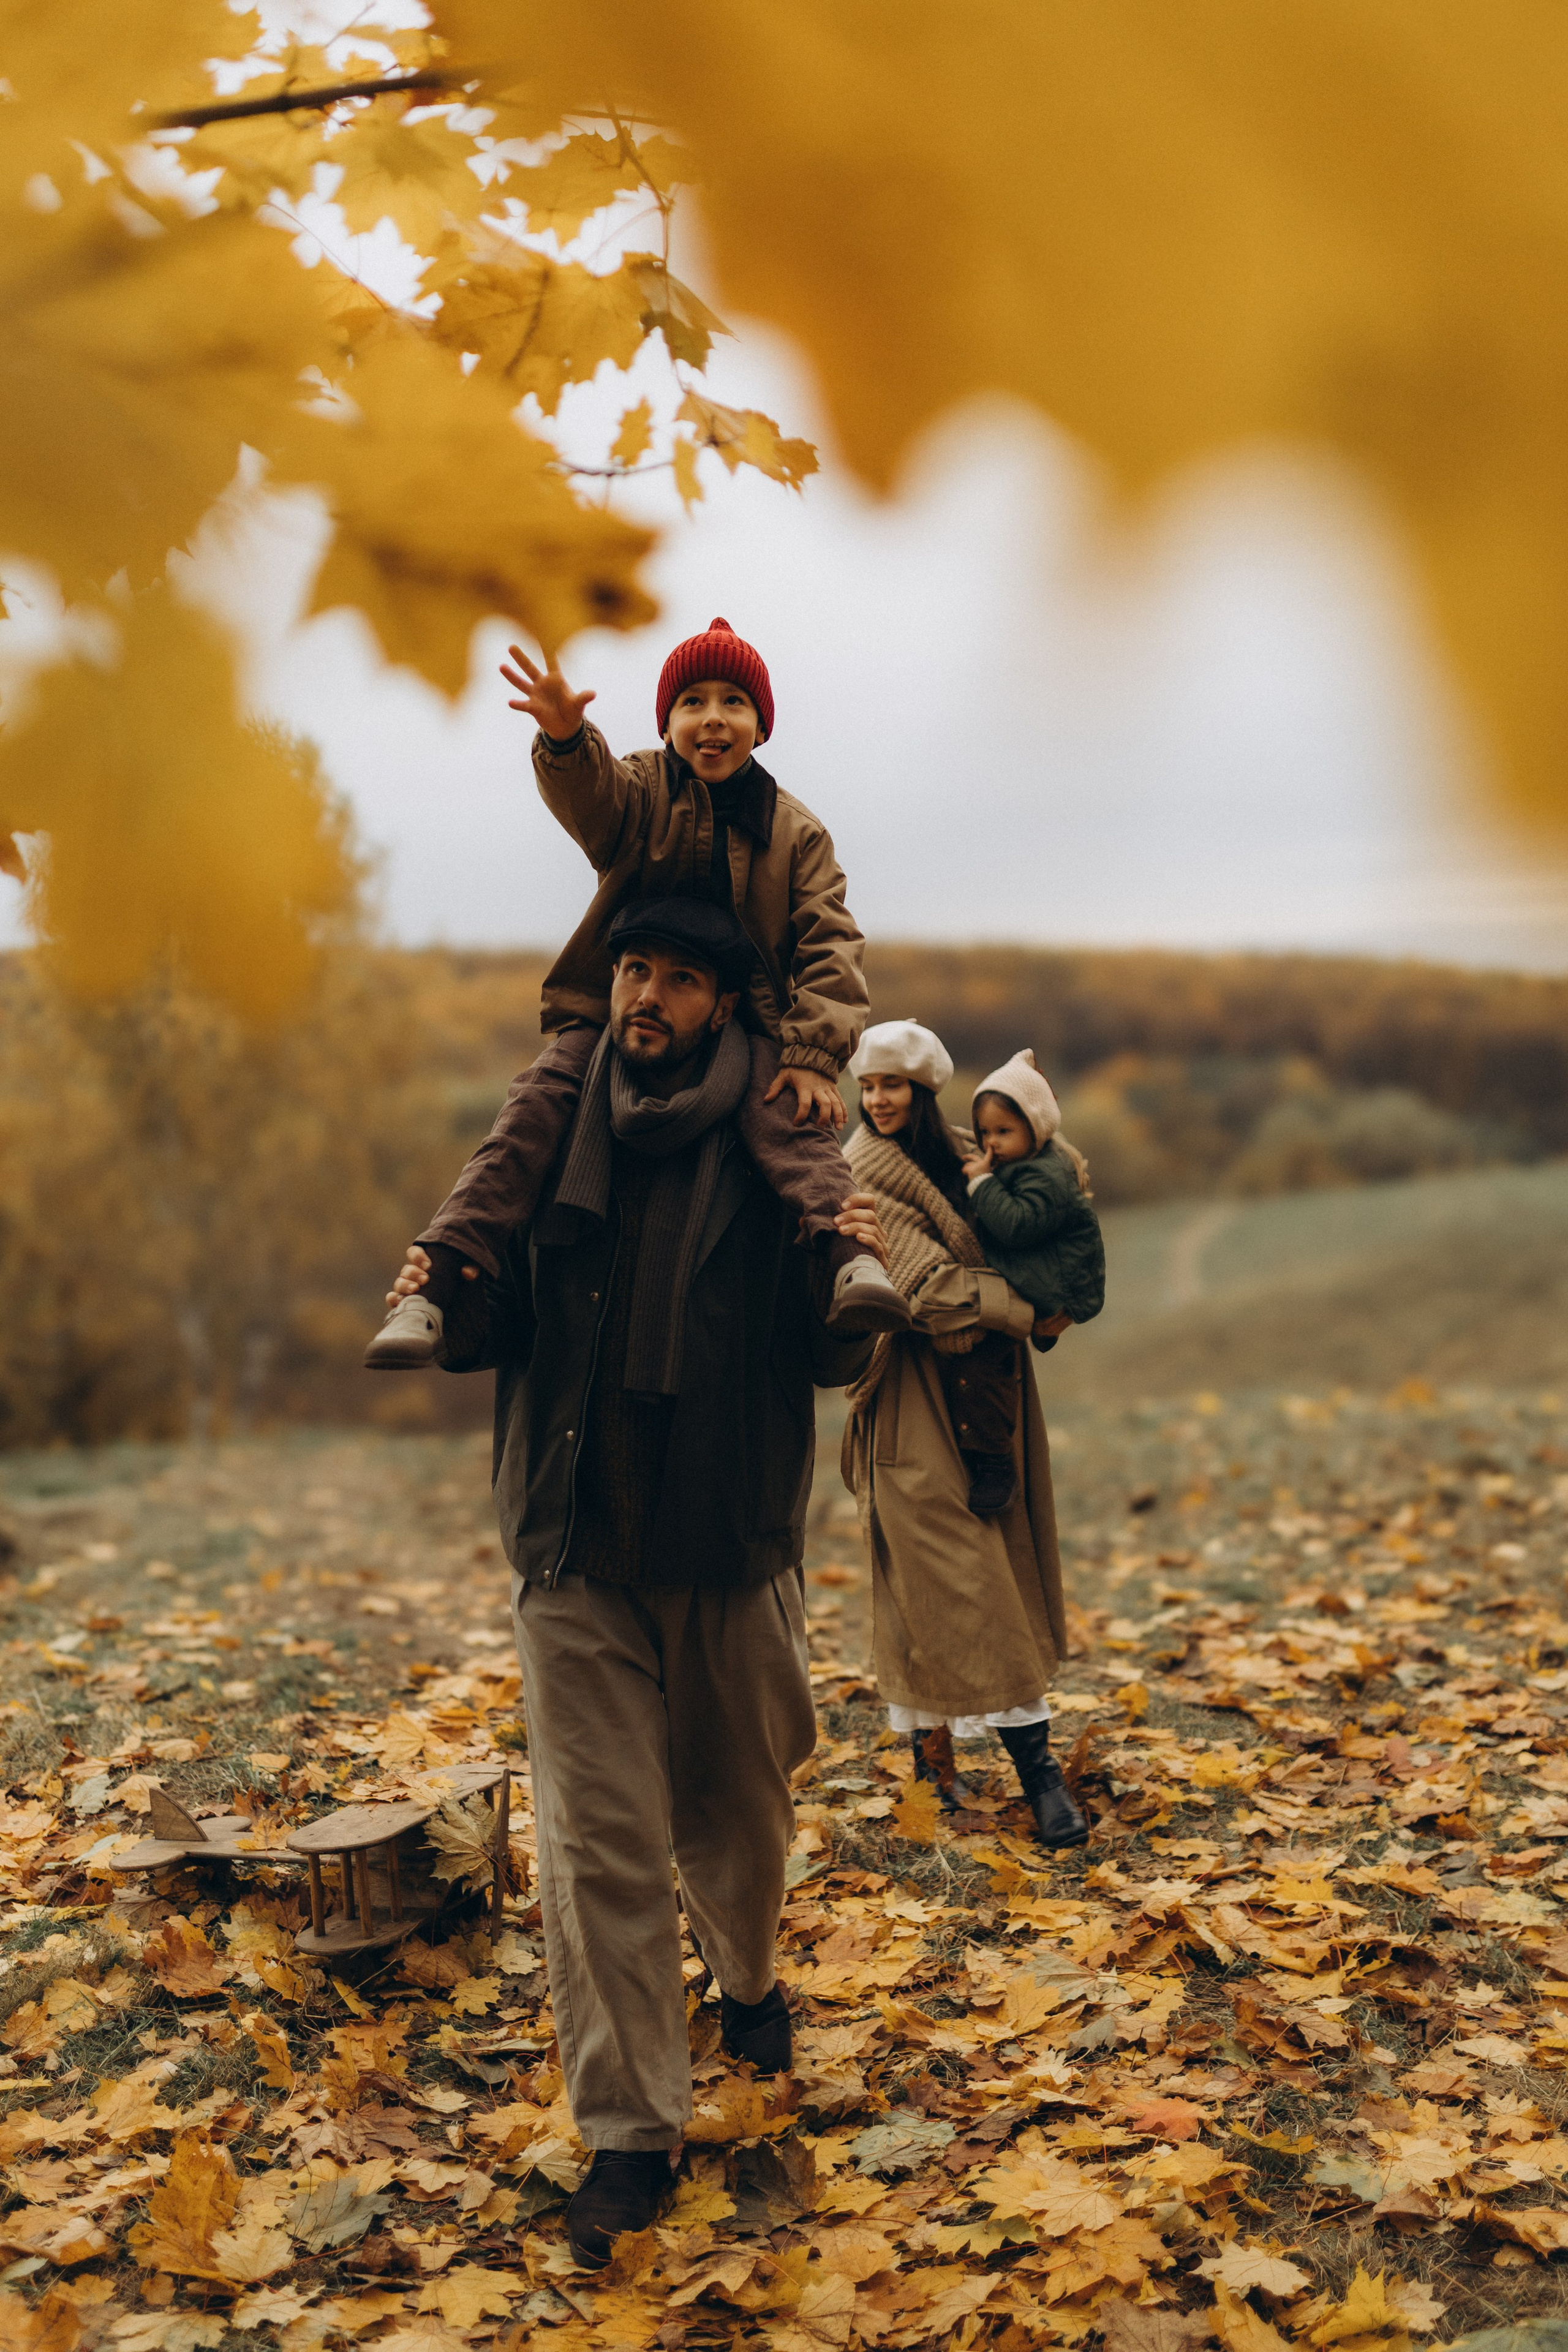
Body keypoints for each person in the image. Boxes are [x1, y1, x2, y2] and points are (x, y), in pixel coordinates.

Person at [442, 894, 883, 2267]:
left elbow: (827, 1355)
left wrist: (842, 1276)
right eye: (631, 969)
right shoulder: (555, 1127)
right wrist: (454, 1293)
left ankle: (742, 1974)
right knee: (599, 1847)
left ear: (726, 1003)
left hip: (725, 1536)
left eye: (676, 978)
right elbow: (503, 1303)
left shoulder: (782, 1130)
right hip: (572, 1548)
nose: (644, 995)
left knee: (738, 1813)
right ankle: (631, 2127)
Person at [364, 616, 908, 1363]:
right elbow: (591, 797)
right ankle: (434, 1287)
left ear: (761, 725)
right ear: (667, 723)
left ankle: (850, 1259)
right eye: (691, 702)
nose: (712, 718)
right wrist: (564, 741)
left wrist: (812, 1050)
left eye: (732, 702)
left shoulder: (794, 832)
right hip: (612, 1007)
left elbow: (830, 939)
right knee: (527, 1118)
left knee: (794, 1125)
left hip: (746, 1019)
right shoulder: (640, 791)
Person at [840, 1017, 1089, 1851]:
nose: (876, 1101)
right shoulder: (862, 1174)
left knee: (1002, 1572)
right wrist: (1029, 1309)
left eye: (893, 1086)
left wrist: (1060, 1281)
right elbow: (929, 1291)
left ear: (923, 1090)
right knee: (949, 1577)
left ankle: (936, 1767)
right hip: (914, 1397)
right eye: (867, 1085)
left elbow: (1042, 1218)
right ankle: (1035, 1773)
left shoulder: (967, 1154)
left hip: (990, 1393)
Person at [950, 1048, 1106, 1515]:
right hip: (1039, 1275)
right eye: (984, 1133)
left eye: (1003, 1132)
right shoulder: (1027, 1163)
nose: (990, 1144)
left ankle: (995, 1466)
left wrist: (981, 1186)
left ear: (1035, 1130)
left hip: (1052, 1282)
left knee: (987, 1360)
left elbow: (1017, 1225)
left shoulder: (1045, 1177)